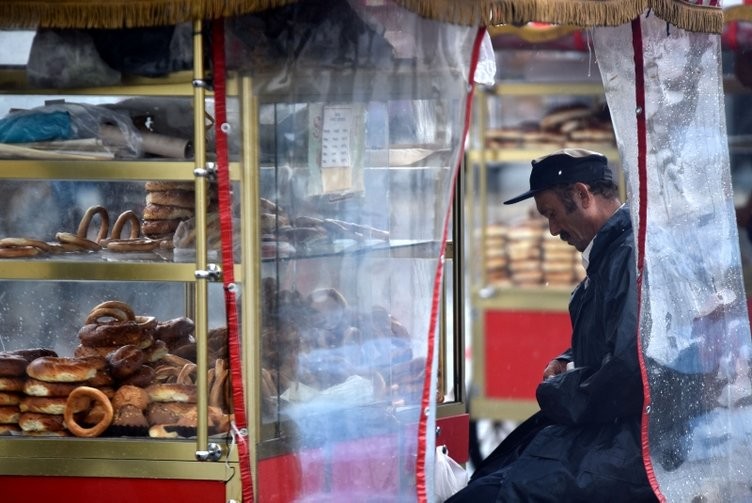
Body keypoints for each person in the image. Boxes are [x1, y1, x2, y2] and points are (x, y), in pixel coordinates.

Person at [448, 148, 657, 502]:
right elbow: (618, 334)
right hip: (602, 435)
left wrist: (559, 391)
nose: (553, 229)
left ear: (582, 194)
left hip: (623, 447)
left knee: (491, 493)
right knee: (489, 479)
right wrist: (569, 359)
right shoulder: (611, 253)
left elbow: (629, 369)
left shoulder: (626, 256)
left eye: (553, 214)